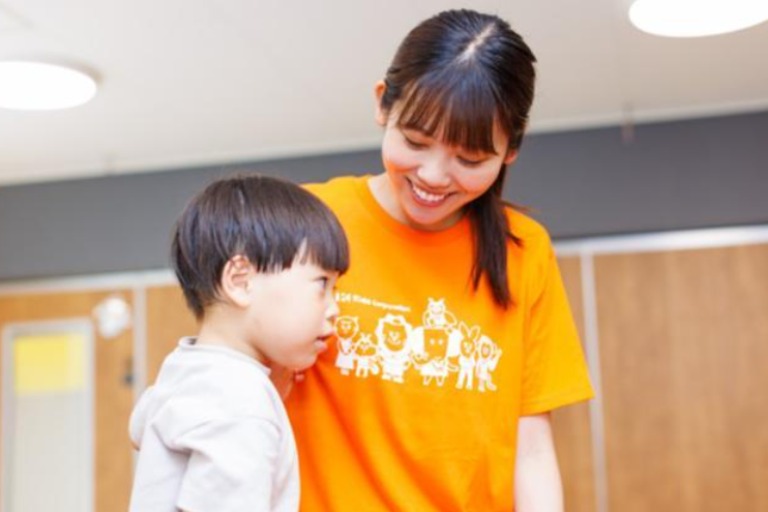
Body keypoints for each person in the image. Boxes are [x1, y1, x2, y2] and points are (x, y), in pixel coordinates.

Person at [283, 9, 594, 511]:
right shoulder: (307, 222)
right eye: (415, 141)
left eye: (469, 159)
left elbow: (532, 450)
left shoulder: (523, 249)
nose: (433, 175)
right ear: (383, 104)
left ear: (510, 150)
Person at [128, 174, 349, 511]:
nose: (334, 309)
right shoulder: (241, 401)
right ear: (241, 281)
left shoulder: (186, 368)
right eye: (322, 285)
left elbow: (138, 427)